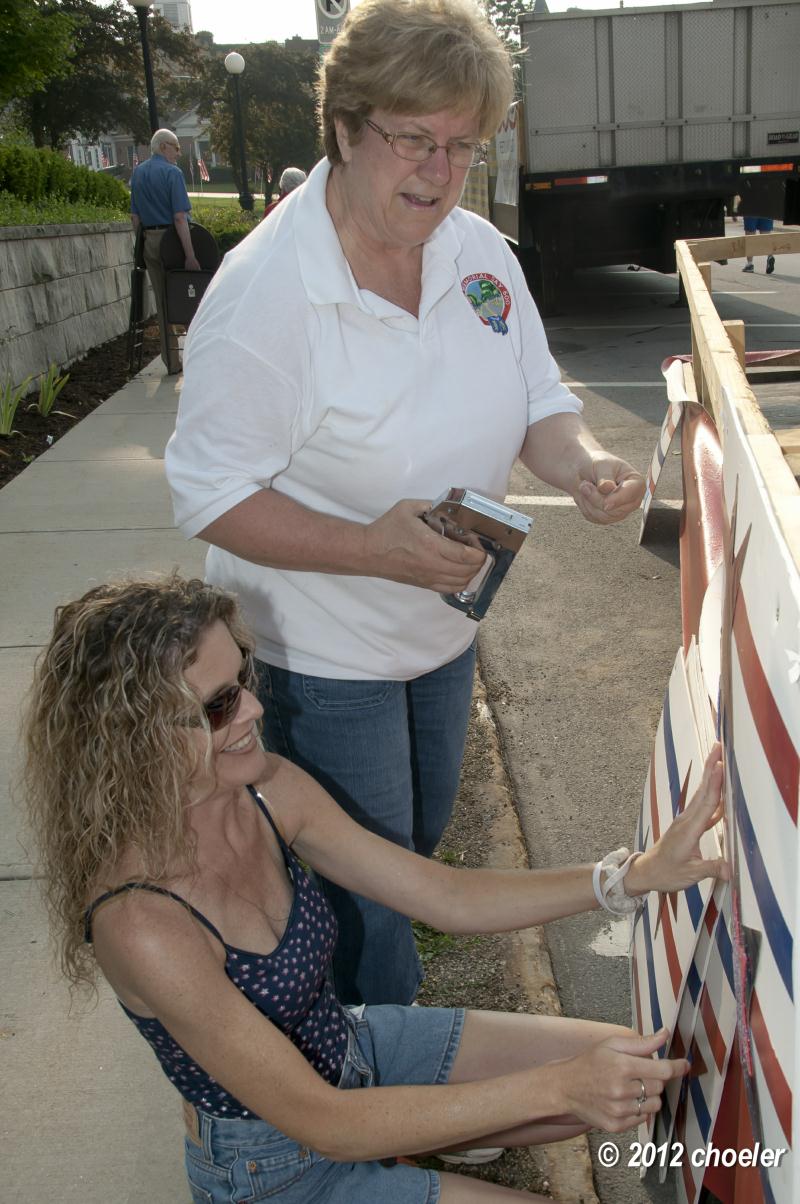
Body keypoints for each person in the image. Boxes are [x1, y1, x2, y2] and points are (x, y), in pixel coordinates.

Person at [165, 0, 646, 1010]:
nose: (438, 170)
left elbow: (537, 399)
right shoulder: (265, 296)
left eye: (463, 146)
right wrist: (369, 549)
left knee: (414, 849)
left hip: (439, 631)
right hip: (320, 656)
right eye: (413, 139)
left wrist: (586, 462)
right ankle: (369, 1075)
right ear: (344, 128)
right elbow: (208, 494)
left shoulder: (478, 254)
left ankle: (371, 1037)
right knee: (366, 907)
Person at [23, 574, 729, 1204]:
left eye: (244, 678)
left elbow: (444, 896)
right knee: (590, 1084)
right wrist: (559, 1085)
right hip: (277, 1167)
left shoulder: (266, 790)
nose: (254, 711)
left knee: (645, 1068)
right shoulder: (141, 922)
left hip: (350, 1047)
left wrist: (629, 877)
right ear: (132, 737)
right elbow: (327, 1125)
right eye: (218, 705)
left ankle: (426, 1137)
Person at [130, 128, 201, 374]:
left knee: (162, 300)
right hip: (172, 240)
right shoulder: (173, 173)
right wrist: (190, 254)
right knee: (187, 295)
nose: (178, 153)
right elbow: (180, 217)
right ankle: (196, 354)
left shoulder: (138, 173)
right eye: (176, 147)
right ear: (163, 147)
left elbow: (135, 217)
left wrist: (142, 245)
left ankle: (171, 361)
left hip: (148, 238)